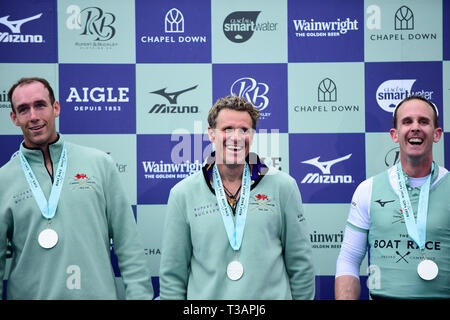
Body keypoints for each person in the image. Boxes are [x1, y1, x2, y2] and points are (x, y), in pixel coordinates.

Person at [0, 77, 153, 299]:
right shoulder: (3, 179)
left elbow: (128, 245)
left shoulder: (99, 164)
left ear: (56, 108)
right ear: (14, 118)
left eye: (40, 105)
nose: (33, 116)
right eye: (24, 109)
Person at [159, 95, 315, 299]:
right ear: (211, 134)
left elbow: (301, 266)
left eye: (244, 130)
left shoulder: (283, 187)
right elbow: (172, 277)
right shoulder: (183, 194)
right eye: (227, 129)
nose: (236, 137)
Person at [335, 95, 450, 299]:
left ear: (437, 134)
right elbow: (349, 260)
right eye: (407, 122)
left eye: (423, 121)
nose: (415, 127)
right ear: (395, 134)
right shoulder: (368, 189)